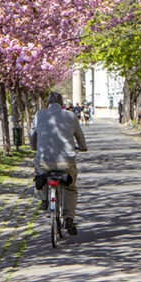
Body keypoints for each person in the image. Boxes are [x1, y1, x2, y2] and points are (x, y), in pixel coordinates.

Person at [30, 91, 87, 235]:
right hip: (66, 161)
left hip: (44, 161)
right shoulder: (70, 116)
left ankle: (43, 197)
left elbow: (32, 134)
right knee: (70, 188)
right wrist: (83, 147)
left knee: (38, 170)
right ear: (62, 103)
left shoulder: (39, 115)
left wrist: (34, 147)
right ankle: (68, 218)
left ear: (47, 103)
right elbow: (79, 135)